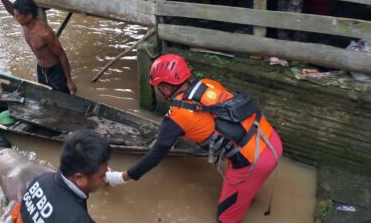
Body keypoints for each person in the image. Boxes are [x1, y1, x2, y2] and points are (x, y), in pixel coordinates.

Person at [105, 54, 283, 223]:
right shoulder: (208, 84)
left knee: (225, 218)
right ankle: (247, 193)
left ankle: (244, 194)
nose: (158, 91)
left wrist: (118, 178)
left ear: (166, 88)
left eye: (157, 86)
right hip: (269, 137)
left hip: (255, 162)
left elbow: (153, 158)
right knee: (243, 189)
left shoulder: (176, 118)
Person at [0, 126, 110, 223]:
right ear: (79, 178)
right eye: (101, 176)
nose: (104, 179)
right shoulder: (77, 219)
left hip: (1, 147)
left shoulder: (44, 179)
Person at [0, 0, 77, 94]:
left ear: (29, 15)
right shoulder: (25, 24)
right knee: (45, 97)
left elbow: (61, 55)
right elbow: (12, 10)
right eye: (15, 15)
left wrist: (69, 81)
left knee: (62, 98)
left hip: (55, 71)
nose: (15, 18)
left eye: (17, 16)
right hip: (41, 69)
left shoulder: (44, 33)